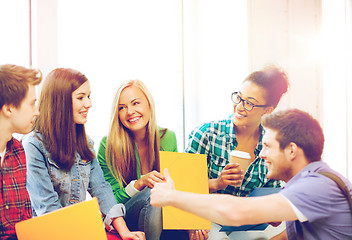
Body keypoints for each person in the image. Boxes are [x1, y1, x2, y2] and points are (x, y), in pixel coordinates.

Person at [150, 108, 352, 239]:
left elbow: (236, 212)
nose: (262, 154)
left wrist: (171, 196)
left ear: (291, 150)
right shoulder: (308, 182)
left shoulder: (316, 186)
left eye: (267, 147)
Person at [22, 68, 145, 240]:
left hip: (77, 230)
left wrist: (125, 232)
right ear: (60, 101)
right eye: (81, 98)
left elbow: (101, 189)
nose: (89, 104)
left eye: (88, 96)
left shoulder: (85, 143)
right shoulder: (33, 145)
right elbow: (48, 208)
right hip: (49, 233)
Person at [184, 65, 289, 239]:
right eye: (239, 98)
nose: (239, 107)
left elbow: (271, 196)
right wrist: (217, 183)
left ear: (267, 110)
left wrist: (274, 214)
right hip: (209, 218)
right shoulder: (207, 133)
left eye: (249, 103)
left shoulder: (272, 145)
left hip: (247, 223)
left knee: (293, 229)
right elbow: (182, 186)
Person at [98, 79, 183, 240]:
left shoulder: (168, 137)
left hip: (161, 214)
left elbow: (176, 187)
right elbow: (109, 200)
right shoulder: (108, 145)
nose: (130, 111)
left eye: (135, 103)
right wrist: (139, 183)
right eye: (122, 108)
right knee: (152, 193)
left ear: (149, 105)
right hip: (126, 216)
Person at [0, 64, 42, 240]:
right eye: (32, 104)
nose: (37, 112)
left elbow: (24, 219)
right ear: (9, 108)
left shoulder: (17, 150)